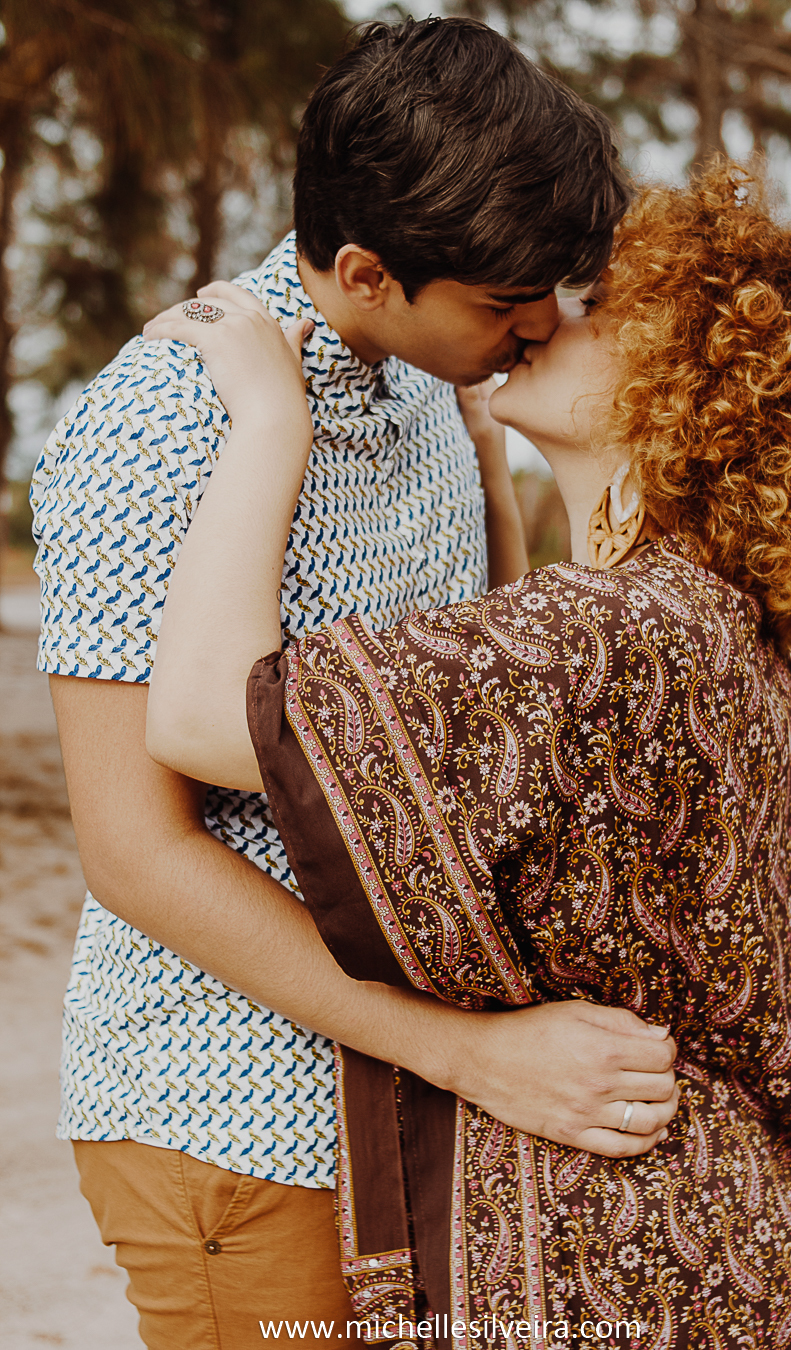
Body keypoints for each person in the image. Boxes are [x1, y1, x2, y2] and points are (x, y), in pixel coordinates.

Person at [145, 162, 791, 1348]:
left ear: (686, 390)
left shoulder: (613, 634)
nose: (549, 313)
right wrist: (496, 478)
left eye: (606, 310)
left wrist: (270, 421)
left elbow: (198, 718)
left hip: (620, 1267)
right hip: (717, 1254)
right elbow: (520, 771)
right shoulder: (696, 615)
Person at [30, 17, 680, 1349]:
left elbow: (471, 690)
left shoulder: (426, 382)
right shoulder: (161, 424)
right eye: (507, 304)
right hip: (237, 1109)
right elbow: (134, 851)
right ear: (373, 270)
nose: (541, 325)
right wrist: (462, 1049)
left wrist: (498, 468)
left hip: (414, 1109)